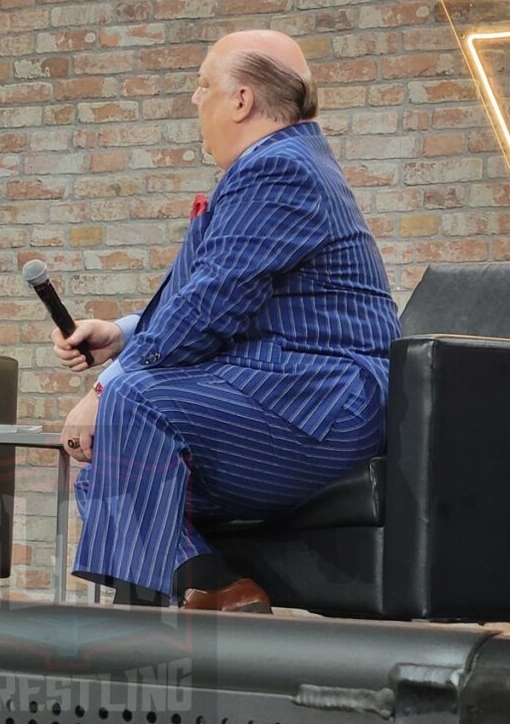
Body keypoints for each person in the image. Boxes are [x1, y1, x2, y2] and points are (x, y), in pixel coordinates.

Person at [52, 30, 401, 610]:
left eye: (203, 84)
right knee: (109, 472)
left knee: (135, 405)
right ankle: (212, 593)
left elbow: (210, 304)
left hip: (324, 407)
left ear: (241, 100)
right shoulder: (276, 164)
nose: (195, 99)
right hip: (283, 393)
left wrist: (105, 387)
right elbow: (215, 293)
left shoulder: (280, 169)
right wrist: (123, 334)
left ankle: (171, 624)